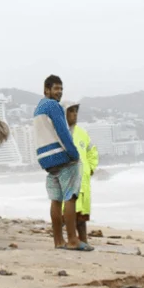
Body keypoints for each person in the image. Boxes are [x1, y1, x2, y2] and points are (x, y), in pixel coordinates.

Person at [33, 75, 92, 251]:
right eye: (56, 88)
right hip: (60, 157)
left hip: (46, 160)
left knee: (55, 200)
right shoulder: (53, 106)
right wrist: (74, 154)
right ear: (46, 90)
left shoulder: (38, 109)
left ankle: (58, 241)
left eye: (61, 89)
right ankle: (73, 240)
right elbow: (62, 131)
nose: (59, 92)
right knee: (70, 198)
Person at [64, 101, 98, 247]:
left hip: (83, 179)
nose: (75, 114)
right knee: (68, 212)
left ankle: (84, 241)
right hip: (67, 178)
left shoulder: (82, 133)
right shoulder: (59, 132)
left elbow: (92, 151)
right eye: (71, 111)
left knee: (82, 216)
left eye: (76, 111)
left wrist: (90, 168)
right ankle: (70, 240)